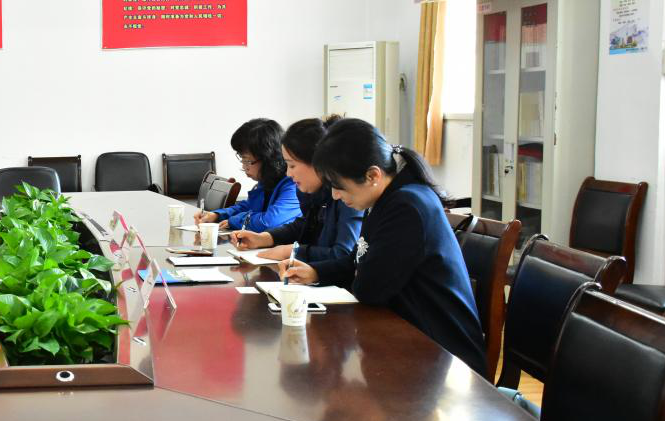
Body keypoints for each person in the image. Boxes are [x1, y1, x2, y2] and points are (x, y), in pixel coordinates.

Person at [280, 118, 486, 375]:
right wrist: (315, 272)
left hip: (442, 357)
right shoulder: (385, 198)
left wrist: (357, 273)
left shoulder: (406, 208)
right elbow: (358, 260)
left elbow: (369, 289)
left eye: (338, 185)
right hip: (408, 339)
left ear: (373, 176)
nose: (334, 195)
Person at [229, 116, 363, 262]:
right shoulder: (311, 193)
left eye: (292, 165)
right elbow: (303, 226)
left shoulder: (347, 197)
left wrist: (293, 251)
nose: (288, 173)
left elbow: (344, 254)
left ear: (317, 162)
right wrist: (265, 238)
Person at [195, 118, 300, 232]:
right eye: (242, 158)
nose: (244, 166)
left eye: (247, 160)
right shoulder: (268, 179)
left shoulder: (294, 184)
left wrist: (234, 221)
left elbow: (269, 222)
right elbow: (250, 205)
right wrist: (217, 215)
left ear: (268, 158)